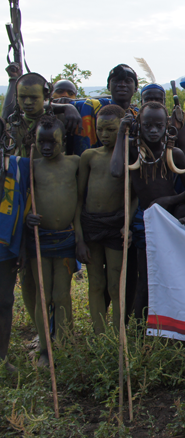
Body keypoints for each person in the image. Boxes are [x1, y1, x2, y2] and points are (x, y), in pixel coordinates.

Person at [111, 101, 185, 321]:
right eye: (147, 126)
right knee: (145, 277)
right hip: (144, 222)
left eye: (158, 125)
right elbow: (116, 172)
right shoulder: (133, 152)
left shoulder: (176, 154)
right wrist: (121, 134)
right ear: (139, 125)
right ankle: (140, 329)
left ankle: (170, 323)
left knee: (171, 275)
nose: (153, 131)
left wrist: (168, 200)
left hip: (171, 223)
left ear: (167, 126)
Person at [25, 116, 81, 367]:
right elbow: (21, 200)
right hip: (41, 239)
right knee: (43, 295)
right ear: (34, 142)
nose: (46, 147)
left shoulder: (74, 164)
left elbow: (79, 202)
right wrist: (28, 216)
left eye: (52, 142)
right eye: (41, 142)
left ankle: (64, 344)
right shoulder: (31, 166)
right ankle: (45, 348)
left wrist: (79, 238)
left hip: (66, 239)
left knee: (61, 294)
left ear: (64, 140)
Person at [75, 104, 130, 335]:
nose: (104, 135)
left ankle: (118, 337)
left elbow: (133, 196)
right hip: (91, 225)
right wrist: (79, 238)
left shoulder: (129, 157)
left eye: (111, 130)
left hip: (115, 227)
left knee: (115, 284)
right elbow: (78, 199)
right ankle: (99, 335)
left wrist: (127, 225)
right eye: (100, 129)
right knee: (95, 283)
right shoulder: (89, 156)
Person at [0, 125, 30, 372]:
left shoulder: (17, 167)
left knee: (4, 300)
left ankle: (2, 358)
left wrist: (21, 245)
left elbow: (24, 205)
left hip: (5, 246)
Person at [73, 64, 139, 156]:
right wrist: (68, 107)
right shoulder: (94, 107)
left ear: (136, 88)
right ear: (108, 86)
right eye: (116, 81)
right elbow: (60, 105)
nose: (122, 85)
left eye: (128, 81)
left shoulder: (138, 115)